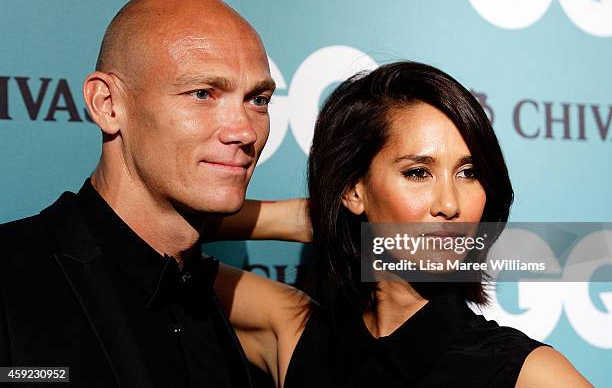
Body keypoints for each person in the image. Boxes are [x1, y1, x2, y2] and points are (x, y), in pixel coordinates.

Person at [212, 61, 592, 387]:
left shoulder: (528, 373)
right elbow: (160, 236)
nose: (449, 205)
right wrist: (314, 217)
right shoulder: (295, 333)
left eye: (469, 172)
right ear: (354, 189)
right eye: (418, 173)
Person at [0, 0, 279, 387]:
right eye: (202, 93)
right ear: (108, 104)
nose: (243, 131)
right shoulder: (12, 278)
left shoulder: (229, 314)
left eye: (258, 100)